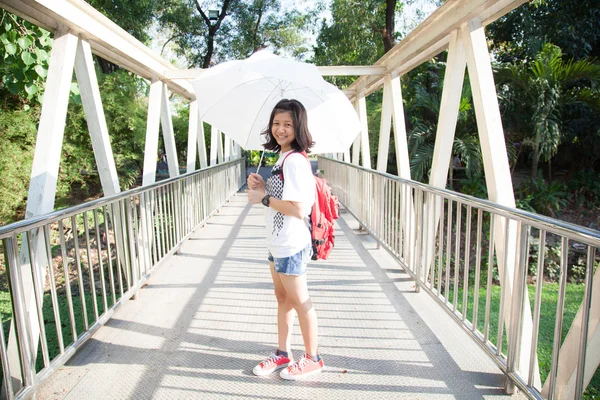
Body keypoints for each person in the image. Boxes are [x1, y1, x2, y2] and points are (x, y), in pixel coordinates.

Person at [247, 99, 323, 380]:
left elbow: (299, 209)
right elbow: (284, 198)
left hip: (291, 244)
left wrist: (264, 198)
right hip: (277, 242)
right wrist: (263, 186)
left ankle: (313, 357)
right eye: (277, 123)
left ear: (298, 127)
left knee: (300, 301)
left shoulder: (295, 161)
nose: (280, 129)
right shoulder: (283, 157)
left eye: (287, 124)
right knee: (283, 299)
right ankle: (282, 352)